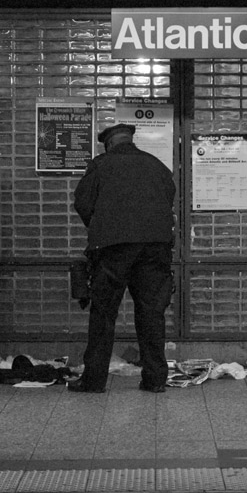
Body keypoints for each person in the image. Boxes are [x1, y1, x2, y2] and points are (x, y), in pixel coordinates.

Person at [71, 123, 175, 393]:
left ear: (109, 144)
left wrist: (101, 226)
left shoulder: (101, 165)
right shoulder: (156, 165)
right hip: (155, 248)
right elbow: (169, 196)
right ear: (131, 140)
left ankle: (94, 381)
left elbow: (82, 202)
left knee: (104, 314)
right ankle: (154, 380)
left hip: (112, 249)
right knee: (152, 313)